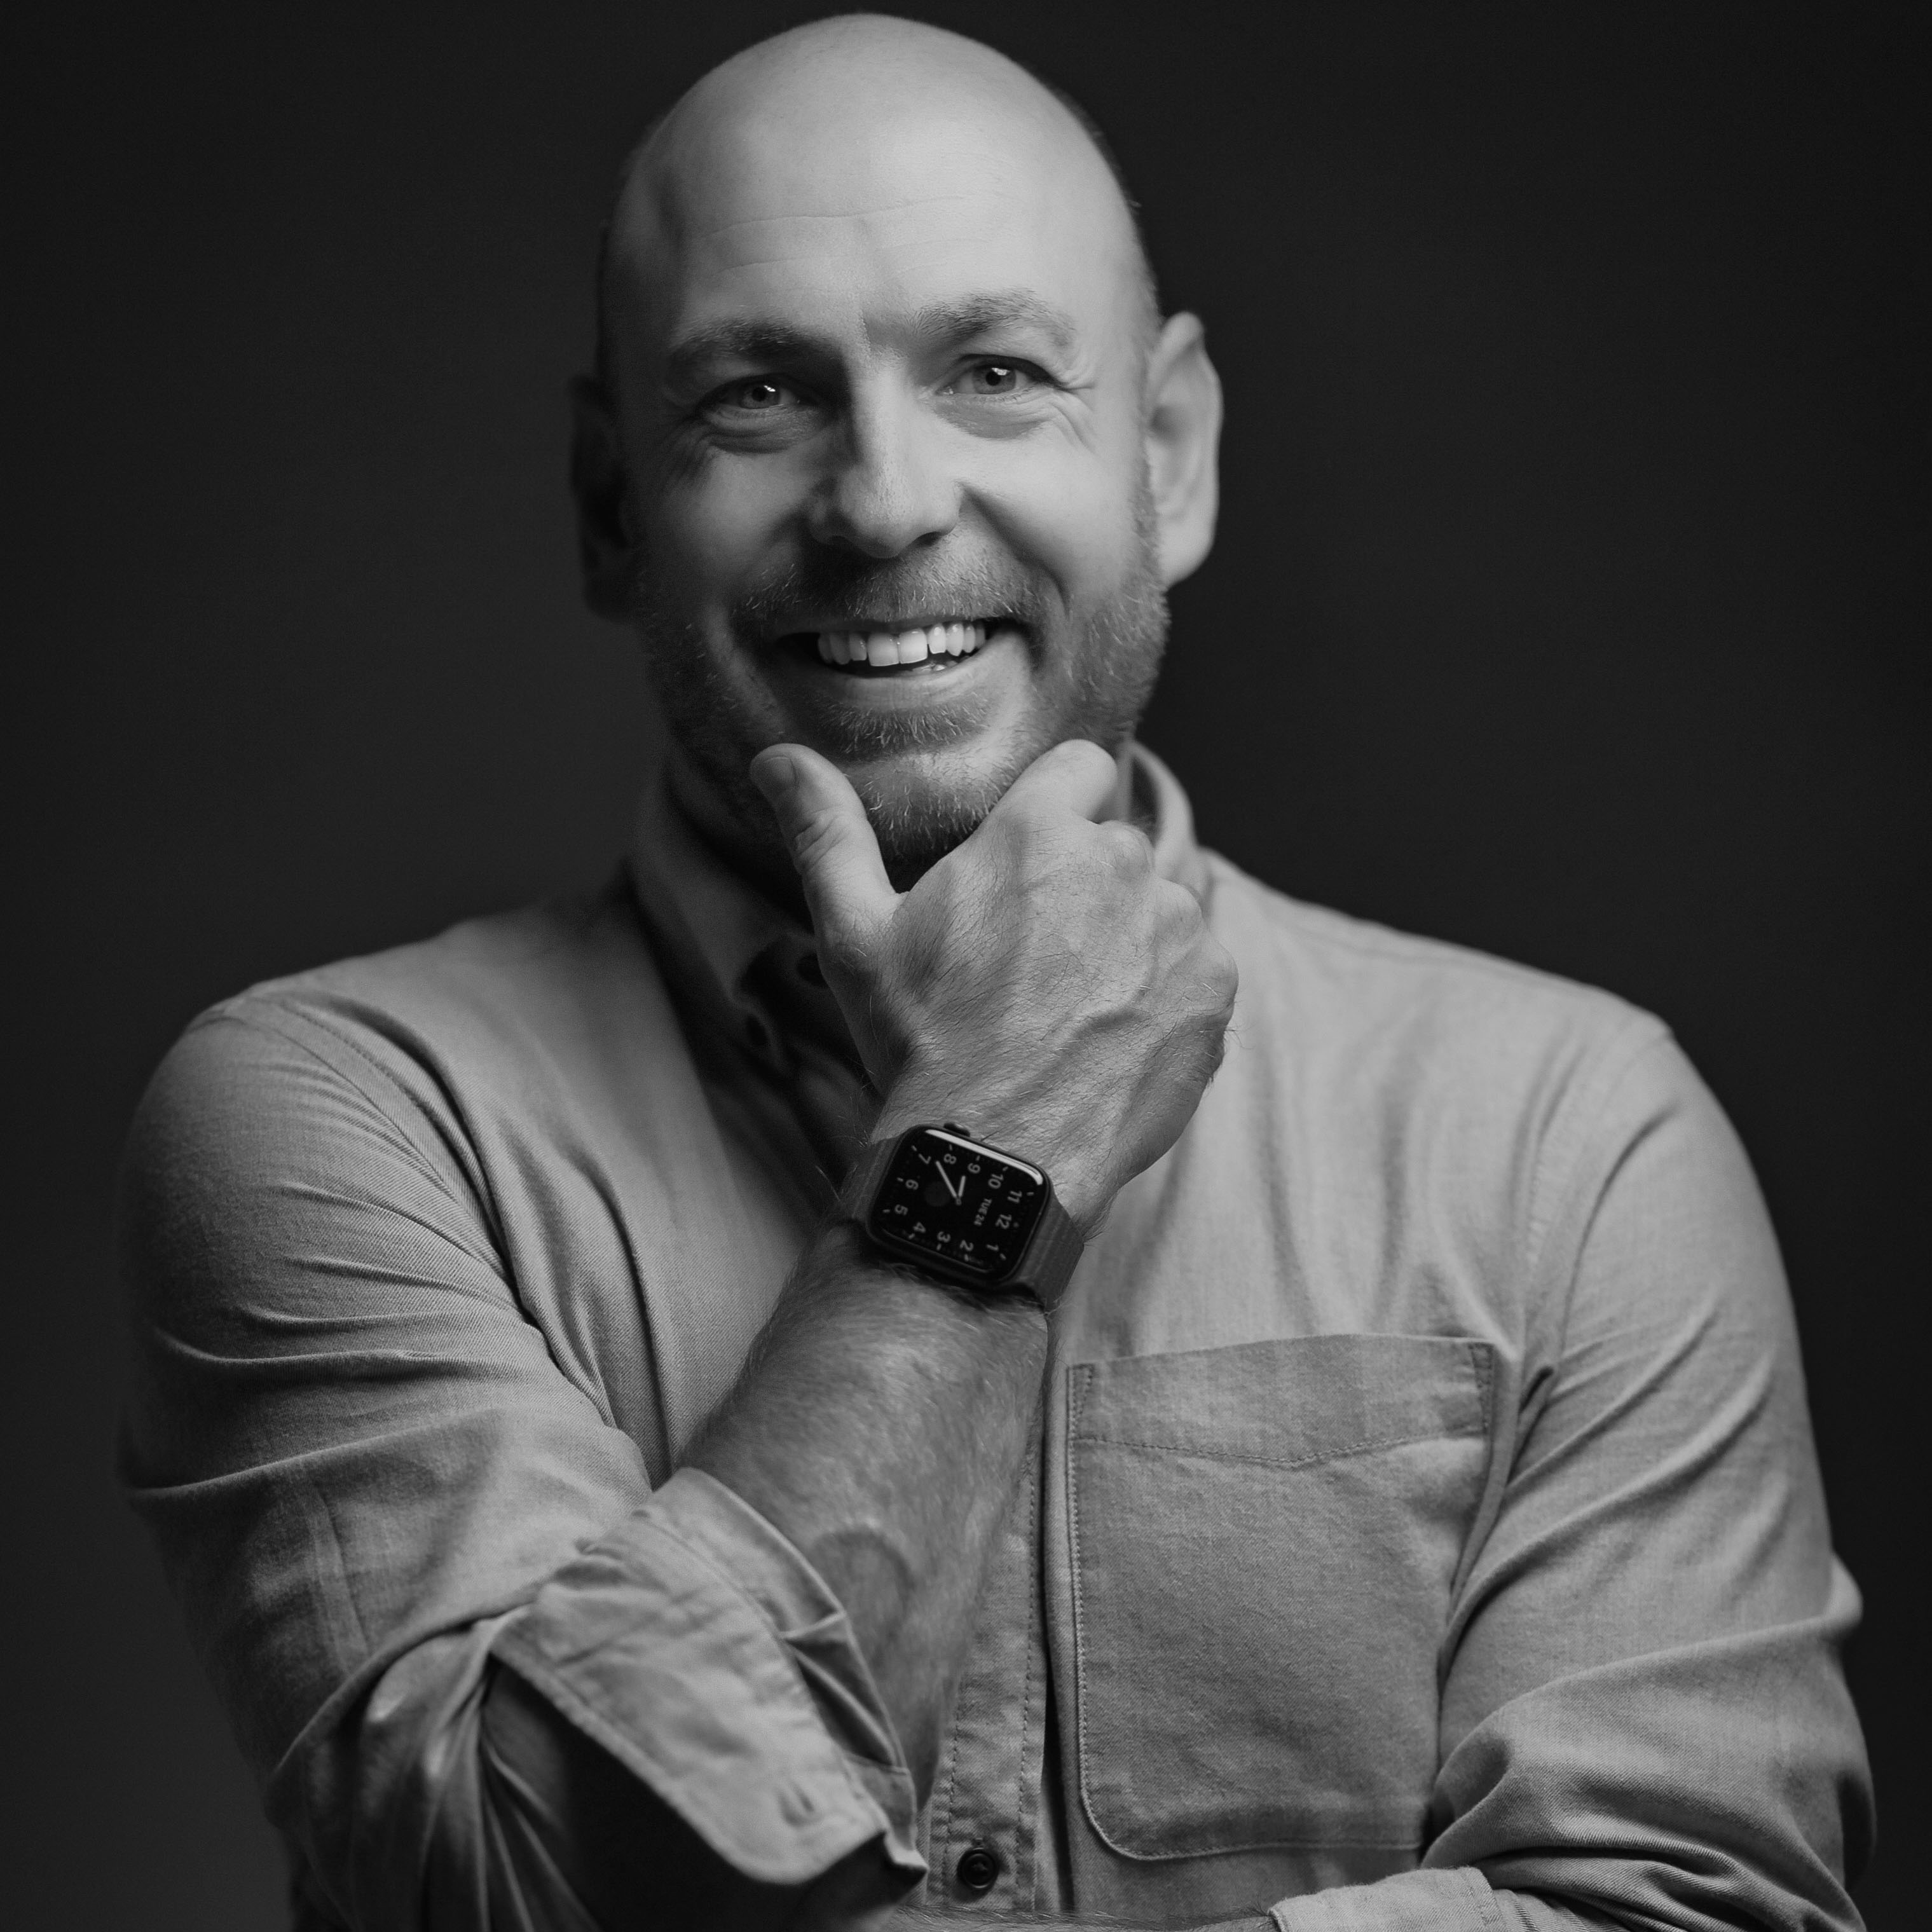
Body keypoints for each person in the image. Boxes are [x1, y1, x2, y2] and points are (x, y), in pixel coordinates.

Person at [117, 14, 1872, 1931]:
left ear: (1171, 457)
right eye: (758, 399)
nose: (883, 500)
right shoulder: (336, 1121)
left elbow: (1690, 1906)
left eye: (998, 372)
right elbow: (515, 1892)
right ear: (616, 505)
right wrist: (988, 1145)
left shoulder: (1571, 1133)